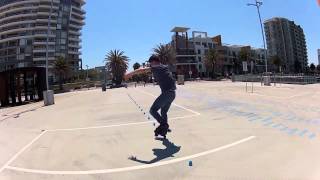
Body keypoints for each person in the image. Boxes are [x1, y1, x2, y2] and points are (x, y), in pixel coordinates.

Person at [148, 55, 176, 138]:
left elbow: (142, 70)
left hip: (167, 94)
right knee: (163, 112)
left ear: (154, 62)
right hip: (172, 94)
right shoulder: (164, 67)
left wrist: (130, 73)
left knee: (152, 110)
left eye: (151, 63)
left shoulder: (157, 67)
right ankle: (164, 131)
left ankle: (164, 125)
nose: (150, 65)